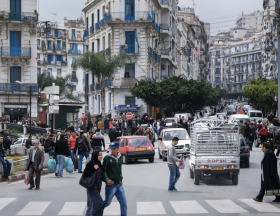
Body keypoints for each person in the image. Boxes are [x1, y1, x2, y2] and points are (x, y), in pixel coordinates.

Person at [103, 142, 127, 216]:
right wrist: (107, 179)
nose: (113, 150)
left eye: (114, 148)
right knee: (107, 202)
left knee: (124, 203)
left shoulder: (120, 157)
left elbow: (119, 169)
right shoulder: (107, 158)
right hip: (111, 185)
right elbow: (104, 170)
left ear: (117, 148)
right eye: (112, 148)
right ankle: (95, 211)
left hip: (119, 185)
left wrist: (121, 179)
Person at [84, 150, 104, 216]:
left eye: (101, 155)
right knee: (99, 203)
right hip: (92, 187)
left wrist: (108, 181)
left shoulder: (99, 163)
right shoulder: (91, 163)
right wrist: (94, 169)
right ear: (95, 156)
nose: (101, 156)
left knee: (91, 204)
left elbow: (101, 176)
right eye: (99, 155)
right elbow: (85, 174)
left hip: (97, 186)